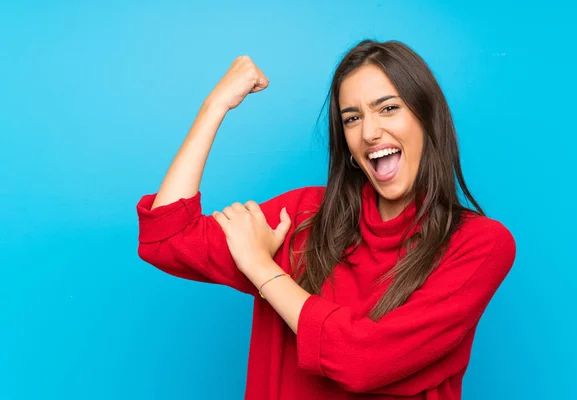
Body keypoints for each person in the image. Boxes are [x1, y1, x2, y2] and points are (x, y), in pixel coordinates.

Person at [136, 39, 516, 399]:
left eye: (388, 108)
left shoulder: (479, 244)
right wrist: (214, 106)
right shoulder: (303, 217)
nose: (369, 132)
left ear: (427, 118)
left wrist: (260, 267)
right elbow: (165, 239)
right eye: (352, 118)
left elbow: (364, 361)